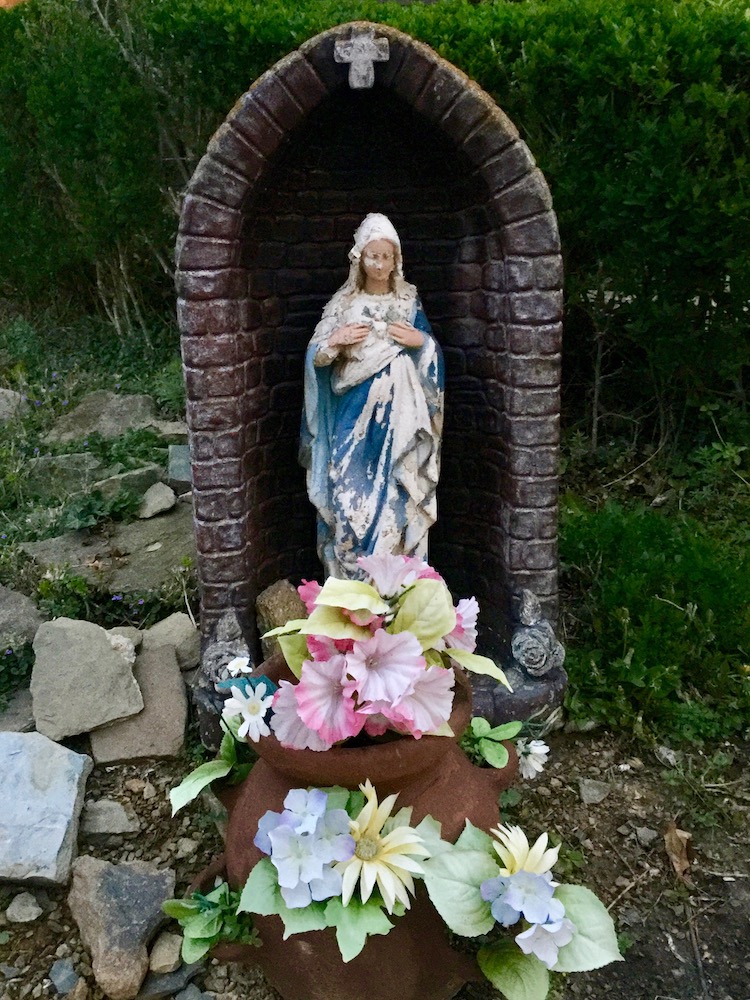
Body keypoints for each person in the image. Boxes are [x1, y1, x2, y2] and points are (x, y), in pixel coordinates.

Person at [300, 213, 444, 579]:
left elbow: (433, 360)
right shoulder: (344, 304)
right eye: (372, 256)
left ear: (397, 260)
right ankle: (351, 588)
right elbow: (316, 357)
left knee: (397, 494)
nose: (380, 264)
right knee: (348, 497)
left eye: (387, 257)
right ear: (359, 258)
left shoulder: (408, 301)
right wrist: (334, 342)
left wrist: (421, 343)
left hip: (400, 422)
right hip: (352, 417)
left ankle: (393, 588)